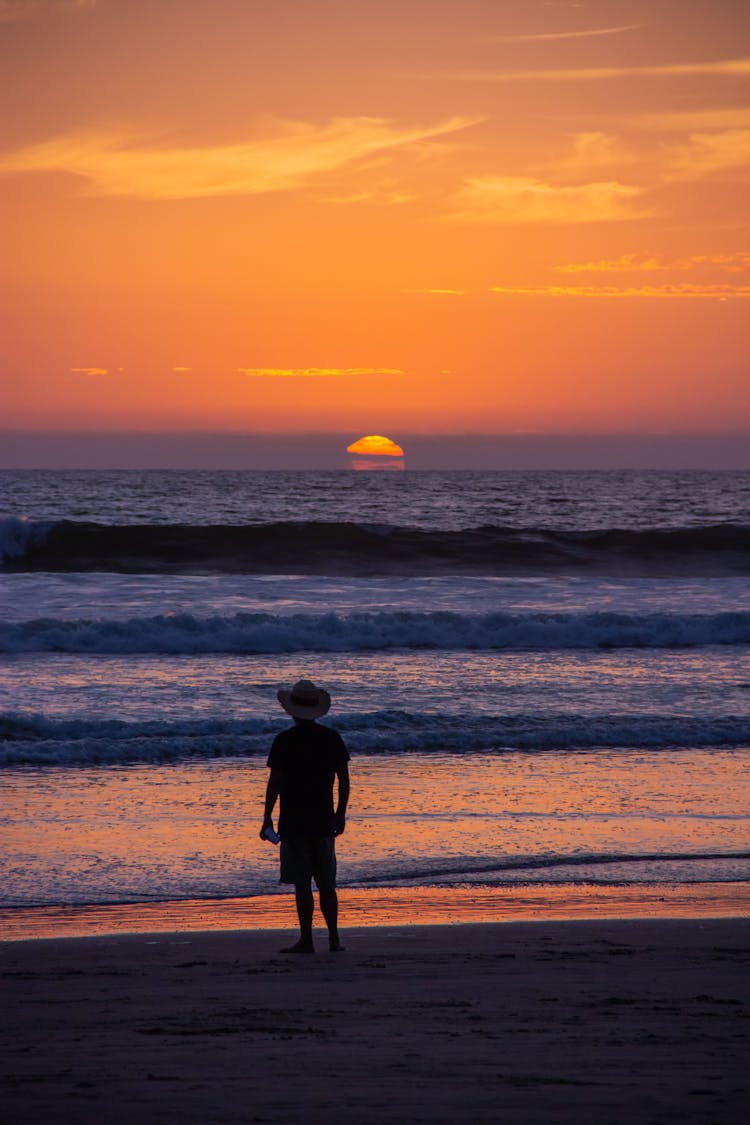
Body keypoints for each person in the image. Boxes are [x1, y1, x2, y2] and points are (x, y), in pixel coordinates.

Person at [260, 679, 350, 953]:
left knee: (302, 884)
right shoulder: (331, 738)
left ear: (292, 710)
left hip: (294, 820)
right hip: (323, 818)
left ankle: (307, 940)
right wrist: (340, 813)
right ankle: (334, 938)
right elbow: (344, 781)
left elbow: (275, 782)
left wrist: (266, 818)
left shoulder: (285, 740)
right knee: (327, 884)